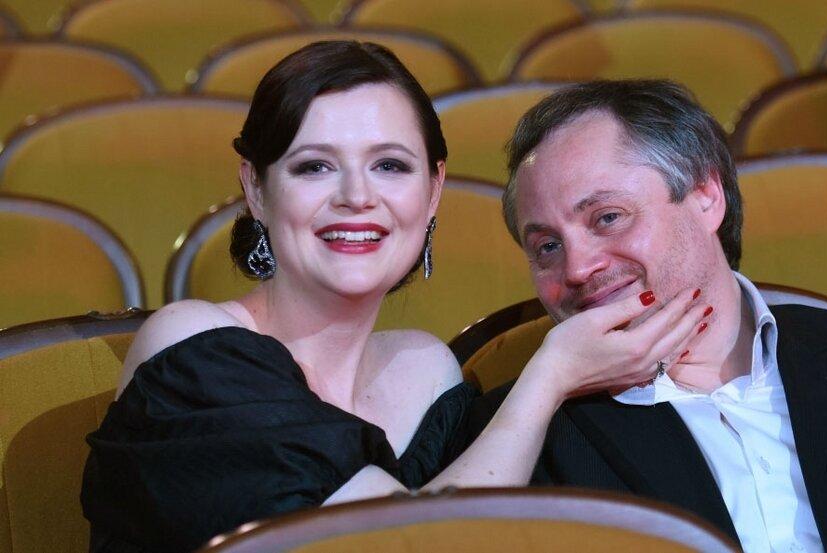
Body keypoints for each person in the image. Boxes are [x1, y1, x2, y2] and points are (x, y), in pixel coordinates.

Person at [80, 44, 710, 552]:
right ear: (257, 189)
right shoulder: (192, 346)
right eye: (314, 166)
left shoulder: (426, 369)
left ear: (432, 191)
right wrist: (549, 377)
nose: (357, 196)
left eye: (390, 165)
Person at [457, 80, 827, 553]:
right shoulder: (521, 437)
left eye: (608, 218)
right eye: (547, 247)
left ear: (706, 196)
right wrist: (547, 381)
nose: (578, 268)